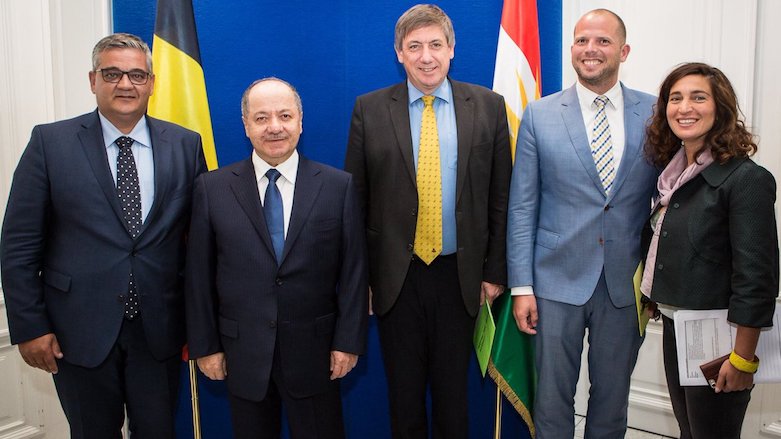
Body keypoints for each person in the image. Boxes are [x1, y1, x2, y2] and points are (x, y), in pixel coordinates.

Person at [0, 33, 207, 438]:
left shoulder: (185, 144)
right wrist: (28, 326)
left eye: (136, 75)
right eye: (112, 74)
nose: (125, 84)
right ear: (92, 80)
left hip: (158, 331)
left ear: (152, 82)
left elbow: (199, 240)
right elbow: (19, 244)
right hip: (76, 331)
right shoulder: (50, 142)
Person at [344, 4, 511, 438]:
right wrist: (360, 278)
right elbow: (355, 203)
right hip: (395, 278)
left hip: (463, 275)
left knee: (454, 397)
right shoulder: (370, 108)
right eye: (414, 46)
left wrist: (494, 272)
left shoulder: (489, 107)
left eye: (436, 44)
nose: (426, 56)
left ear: (452, 49)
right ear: (399, 52)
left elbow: (501, 197)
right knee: (404, 395)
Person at [185, 77, 368, 439]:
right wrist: (206, 347)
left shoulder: (337, 186)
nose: (274, 127)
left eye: (285, 116)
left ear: (301, 121)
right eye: (262, 117)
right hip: (242, 353)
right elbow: (199, 277)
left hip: (316, 354)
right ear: (246, 126)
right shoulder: (212, 188)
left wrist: (347, 341)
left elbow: (353, 273)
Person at [507, 9, 658, 438]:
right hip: (554, 282)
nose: (590, 50)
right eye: (581, 41)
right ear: (572, 48)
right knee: (552, 401)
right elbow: (522, 207)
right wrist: (522, 287)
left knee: (612, 400)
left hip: (625, 285)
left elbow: (667, 199)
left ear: (623, 51)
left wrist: (656, 282)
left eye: (603, 41)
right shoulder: (539, 114)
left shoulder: (655, 111)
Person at [641, 62, 778, 439]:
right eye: (675, 98)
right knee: (690, 432)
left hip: (720, 339)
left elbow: (757, 277)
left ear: (720, 108)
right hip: (676, 324)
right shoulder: (673, 175)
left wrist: (742, 358)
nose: (685, 107)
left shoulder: (745, 179)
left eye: (698, 97)